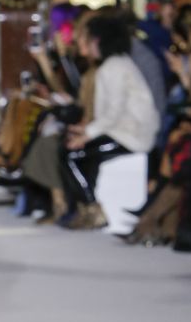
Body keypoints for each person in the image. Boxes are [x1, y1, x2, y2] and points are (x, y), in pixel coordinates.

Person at [60, 14, 159, 228]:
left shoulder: (113, 67)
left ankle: (93, 209)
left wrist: (86, 135)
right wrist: (86, 131)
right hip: (123, 130)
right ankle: (87, 208)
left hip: (131, 134)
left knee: (73, 155)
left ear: (97, 40)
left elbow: (113, 113)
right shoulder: (115, 64)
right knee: (78, 153)